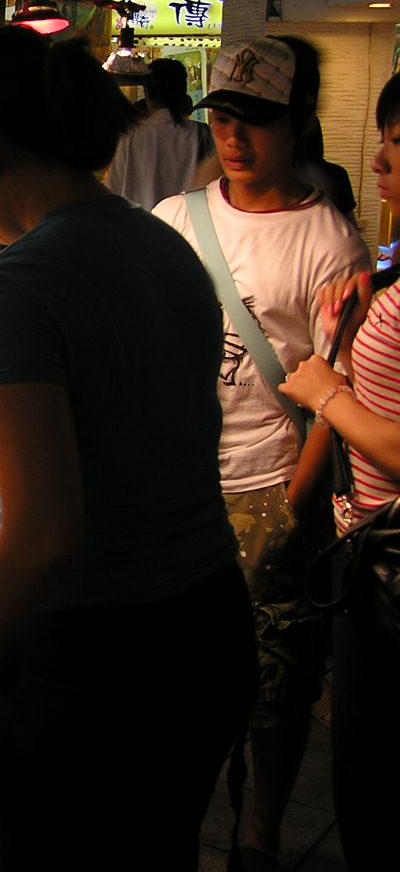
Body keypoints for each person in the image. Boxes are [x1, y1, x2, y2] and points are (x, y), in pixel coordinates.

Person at [0, 24, 255, 870]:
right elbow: (124, 429)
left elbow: (45, 533)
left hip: (97, 671)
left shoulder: (12, 286)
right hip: (210, 634)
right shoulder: (165, 248)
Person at [152, 36, 370, 871]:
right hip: (179, 491)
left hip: (269, 487)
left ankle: (258, 835)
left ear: (299, 121)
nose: (235, 137)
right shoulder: (175, 218)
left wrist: (291, 508)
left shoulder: (330, 242)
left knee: (275, 687)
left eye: (258, 119)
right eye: (224, 117)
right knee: (176, 681)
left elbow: (333, 398)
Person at [277, 71, 400, 870]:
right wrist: (368, 311)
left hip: (394, 572)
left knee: (376, 785)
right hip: (369, 560)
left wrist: (329, 394)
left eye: (397, 145)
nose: (379, 163)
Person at [106, 58, 213, 210]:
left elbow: (113, 192)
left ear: (147, 94)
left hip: (140, 223)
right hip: (191, 222)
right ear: (183, 93)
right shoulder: (202, 134)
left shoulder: (128, 136)